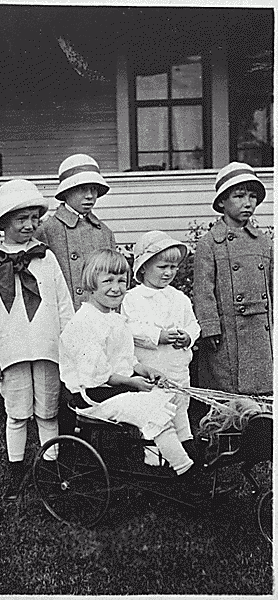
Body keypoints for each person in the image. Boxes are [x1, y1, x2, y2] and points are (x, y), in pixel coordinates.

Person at [59, 248, 198, 481]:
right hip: (93, 395)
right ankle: (185, 470)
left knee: (169, 396)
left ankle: (188, 452)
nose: (116, 288)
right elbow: (98, 375)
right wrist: (133, 382)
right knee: (152, 407)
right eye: (108, 281)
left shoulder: (113, 318)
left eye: (122, 281)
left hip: (114, 389)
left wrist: (146, 370)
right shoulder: (84, 323)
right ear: (91, 284)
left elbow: (127, 360)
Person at [0, 179, 74, 501]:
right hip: (12, 349)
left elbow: (62, 302)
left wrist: (69, 341)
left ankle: (50, 469)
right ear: (3, 223)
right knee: (17, 413)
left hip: (47, 347)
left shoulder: (46, 259)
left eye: (34, 218)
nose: (30, 225)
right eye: (21, 219)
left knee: (48, 411)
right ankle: (16, 473)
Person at [193, 161, 273, 396]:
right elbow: (203, 291)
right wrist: (209, 328)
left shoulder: (264, 242)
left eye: (252, 197)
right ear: (221, 202)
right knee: (227, 390)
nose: (247, 203)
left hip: (261, 330)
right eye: (238, 196)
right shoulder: (210, 243)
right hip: (227, 335)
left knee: (262, 390)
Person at [121, 231, 201, 463]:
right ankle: (154, 459)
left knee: (180, 408)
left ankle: (186, 452)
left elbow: (193, 325)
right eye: (163, 267)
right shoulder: (133, 299)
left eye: (174, 267)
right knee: (156, 412)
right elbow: (130, 329)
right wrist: (159, 336)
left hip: (177, 366)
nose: (169, 273)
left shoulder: (179, 298)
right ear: (144, 267)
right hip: (152, 366)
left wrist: (187, 337)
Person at [35, 153, 116, 311]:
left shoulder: (105, 233)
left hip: (99, 315)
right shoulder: (47, 230)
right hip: (61, 313)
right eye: (82, 189)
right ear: (66, 192)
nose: (89, 196)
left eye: (93, 189)